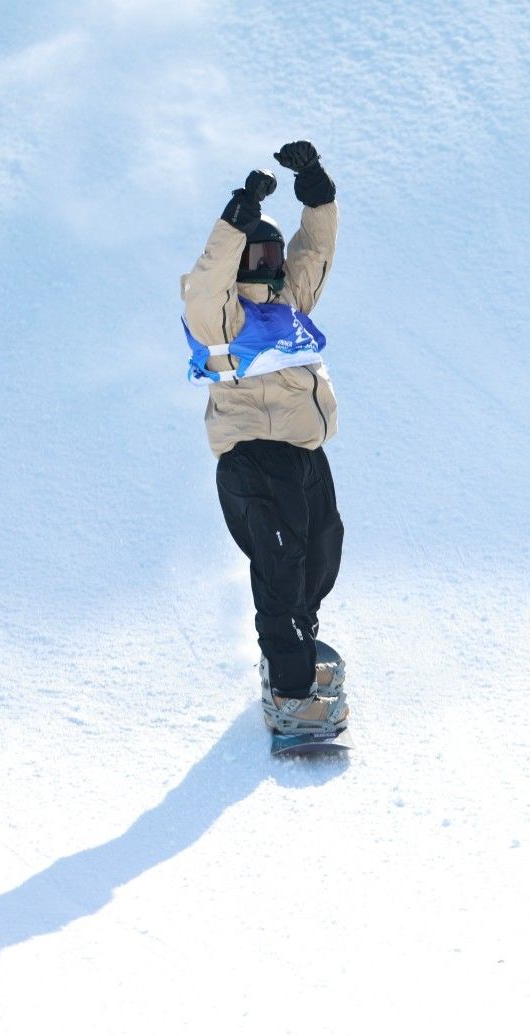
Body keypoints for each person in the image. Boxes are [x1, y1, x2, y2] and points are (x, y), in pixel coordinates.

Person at [179, 140, 347, 735]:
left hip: (304, 453)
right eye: (259, 251)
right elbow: (205, 282)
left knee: (321, 553)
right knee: (280, 568)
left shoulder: (288, 305)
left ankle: (299, 645)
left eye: (273, 251)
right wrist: (238, 216)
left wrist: (315, 187)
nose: (272, 259)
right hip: (252, 457)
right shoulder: (220, 318)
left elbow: (316, 250)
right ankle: (290, 689)